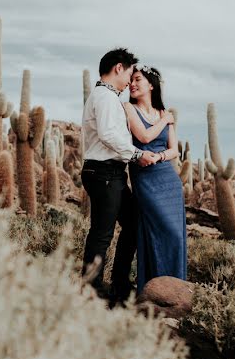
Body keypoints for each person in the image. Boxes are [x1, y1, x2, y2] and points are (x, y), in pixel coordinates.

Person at [81, 48, 159, 306]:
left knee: (134, 223)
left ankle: (119, 284)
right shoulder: (104, 97)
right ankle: (92, 291)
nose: (129, 80)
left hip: (110, 173)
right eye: (128, 73)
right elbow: (107, 135)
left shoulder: (108, 97)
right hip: (103, 172)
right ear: (118, 68)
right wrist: (137, 155)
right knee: (102, 234)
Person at [123, 65, 188, 293]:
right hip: (145, 180)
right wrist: (166, 120)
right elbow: (144, 135)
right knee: (161, 231)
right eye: (130, 80)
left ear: (151, 84)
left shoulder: (163, 113)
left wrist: (160, 156)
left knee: (176, 236)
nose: (132, 84)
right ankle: (155, 290)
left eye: (137, 79)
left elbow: (174, 151)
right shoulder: (129, 108)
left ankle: (174, 289)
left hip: (168, 179)